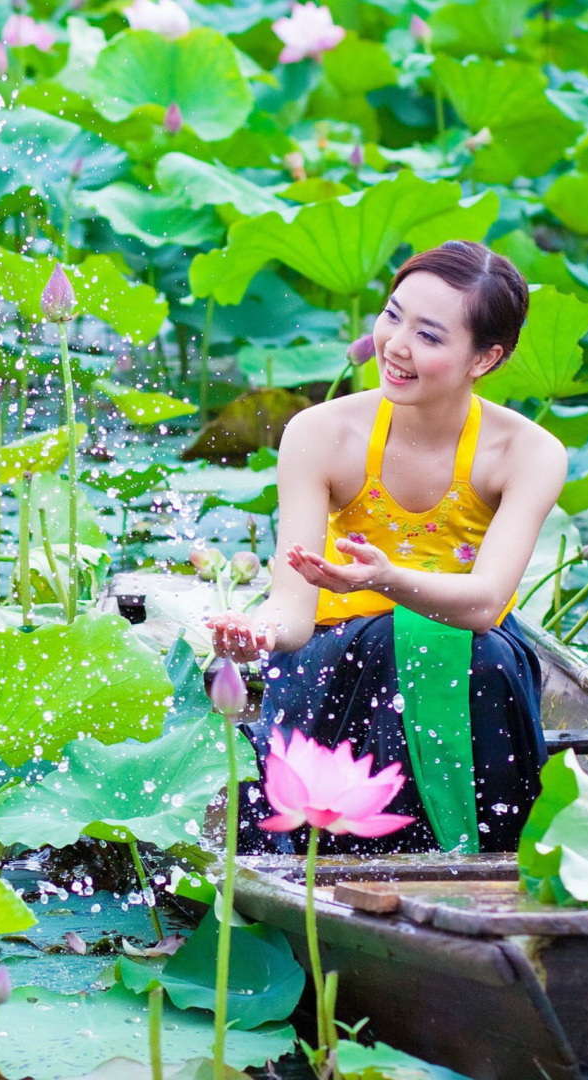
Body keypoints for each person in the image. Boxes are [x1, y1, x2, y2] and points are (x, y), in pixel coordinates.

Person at [206, 240, 568, 855]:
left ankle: (482, 858)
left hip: (471, 661)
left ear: (485, 358)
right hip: (338, 668)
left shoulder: (527, 453)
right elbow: (293, 614)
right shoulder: (321, 433)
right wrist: (257, 633)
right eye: (392, 315)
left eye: (429, 336)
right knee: (390, 644)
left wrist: (384, 579)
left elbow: (483, 605)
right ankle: (378, 857)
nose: (395, 345)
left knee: (472, 653)